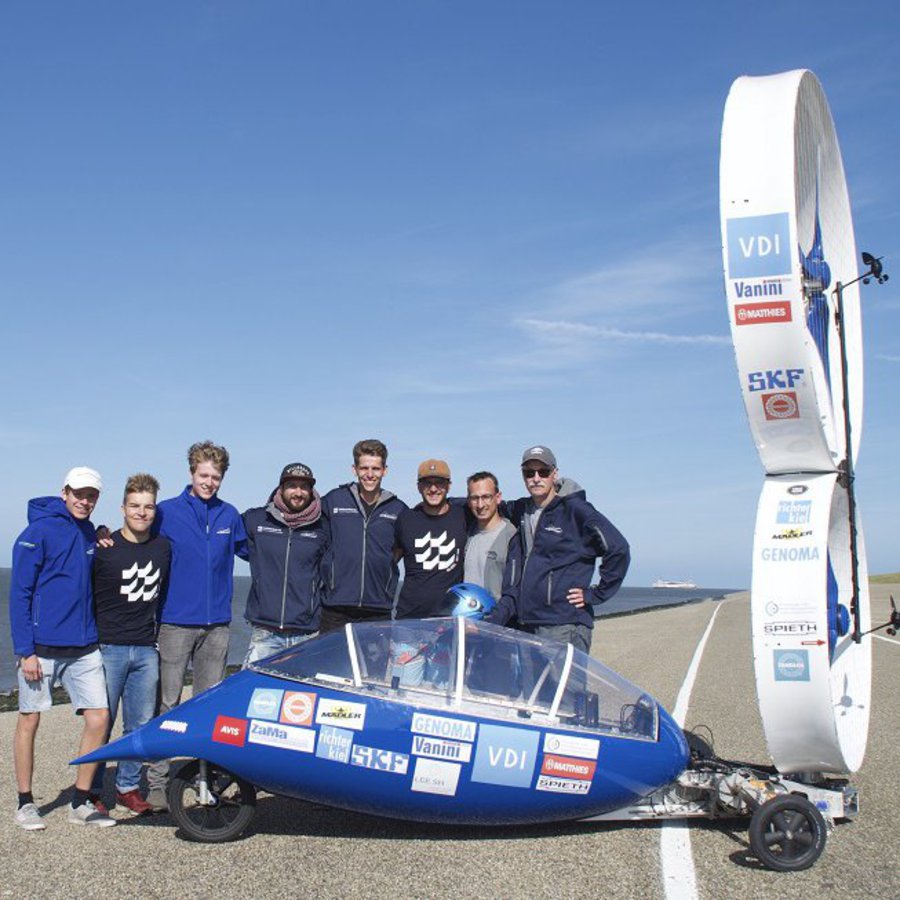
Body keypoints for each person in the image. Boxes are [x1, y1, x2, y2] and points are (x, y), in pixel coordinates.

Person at [9, 466, 116, 828]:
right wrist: (26, 651)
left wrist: (101, 534)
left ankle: (80, 801)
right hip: (41, 649)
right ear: (65, 492)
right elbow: (19, 594)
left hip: (85, 647)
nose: (85, 501)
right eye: (79, 494)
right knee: (29, 720)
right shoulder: (36, 532)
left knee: (99, 718)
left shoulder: (90, 532)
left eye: (92, 496)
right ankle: (25, 802)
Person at [145, 441, 248, 812]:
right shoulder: (166, 512)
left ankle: (210, 780)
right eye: (204, 475)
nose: (209, 482)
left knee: (209, 707)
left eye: (216, 477)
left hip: (217, 625)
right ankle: (156, 783)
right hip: (174, 622)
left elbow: (257, 552)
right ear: (191, 473)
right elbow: (137, 536)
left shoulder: (229, 515)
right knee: (168, 703)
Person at [491, 445, 630, 654]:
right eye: (529, 473)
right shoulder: (522, 510)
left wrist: (595, 594)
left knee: (566, 688)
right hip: (528, 623)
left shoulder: (576, 511)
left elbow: (618, 548)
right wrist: (445, 505)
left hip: (564, 624)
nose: (536, 478)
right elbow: (486, 506)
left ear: (554, 474)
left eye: (543, 472)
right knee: (533, 688)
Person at [90, 473, 171, 816]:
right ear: (122, 508)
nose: (142, 512)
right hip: (108, 648)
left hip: (145, 648)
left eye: (148, 506)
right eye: (135, 506)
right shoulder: (103, 550)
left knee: (138, 725)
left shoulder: (163, 547)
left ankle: (126, 787)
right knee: (101, 723)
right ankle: (91, 789)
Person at [319, 439, 406, 633]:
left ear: (385, 470)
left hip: (378, 609)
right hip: (335, 608)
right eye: (364, 468)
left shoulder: (398, 509)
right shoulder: (333, 500)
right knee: (333, 664)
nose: (369, 474)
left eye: (375, 469)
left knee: (374, 665)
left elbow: (400, 549)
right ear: (354, 469)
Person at [242, 463, 326, 665]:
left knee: (302, 696)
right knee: (254, 692)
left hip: (306, 633)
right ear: (281, 488)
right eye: (292, 486)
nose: (298, 492)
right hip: (265, 631)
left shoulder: (324, 527)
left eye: (304, 487)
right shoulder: (255, 519)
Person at [394, 459, 467, 619]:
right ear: (418, 486)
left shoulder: (463, 516)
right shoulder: (406, 519)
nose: (433, 489)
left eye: (439, 483)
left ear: (449, 485)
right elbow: (390, 561)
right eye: (427, 483)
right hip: (409, 620)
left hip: (451, 618)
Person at [463, 471, 517, 600]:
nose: (480, 505)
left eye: (486, 497)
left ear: (498, 498)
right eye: (475, 498)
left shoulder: (512, 537)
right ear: (469, 501)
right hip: (466, 617)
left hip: (497, 618)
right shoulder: (468, 533)